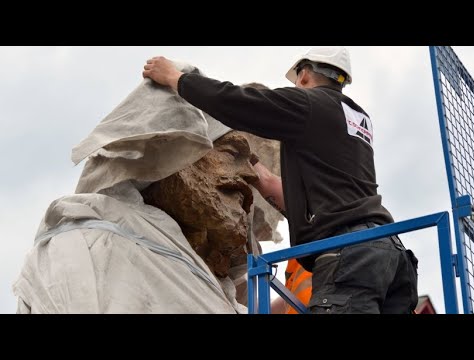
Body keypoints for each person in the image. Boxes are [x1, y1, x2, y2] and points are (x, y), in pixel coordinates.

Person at [142, 47, 419, 314]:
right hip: (390, 252)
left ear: (305, 74)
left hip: (351, 254)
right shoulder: (357, 119)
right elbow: (306, 193)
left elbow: (237, 101)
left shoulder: (309, 103)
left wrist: (176, 78)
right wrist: (249, 163)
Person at [12, 62, 267, 313]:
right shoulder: (86, 248)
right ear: (175, 157)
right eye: (231, 154)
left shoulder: (220, 292)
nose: (250, 175)